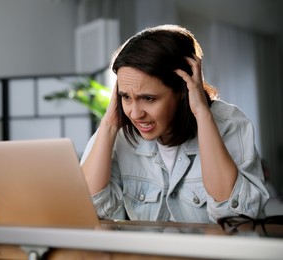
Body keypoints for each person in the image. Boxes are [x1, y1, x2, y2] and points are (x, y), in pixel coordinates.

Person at [80, 24, 269, 223]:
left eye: (149, 99)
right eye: (125, 96)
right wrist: (109, 125)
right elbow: (88, 210)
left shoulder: (229, 124)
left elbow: (238, 218)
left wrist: (203, 115)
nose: (135, 113)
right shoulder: (119, 132)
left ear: (182, 91)